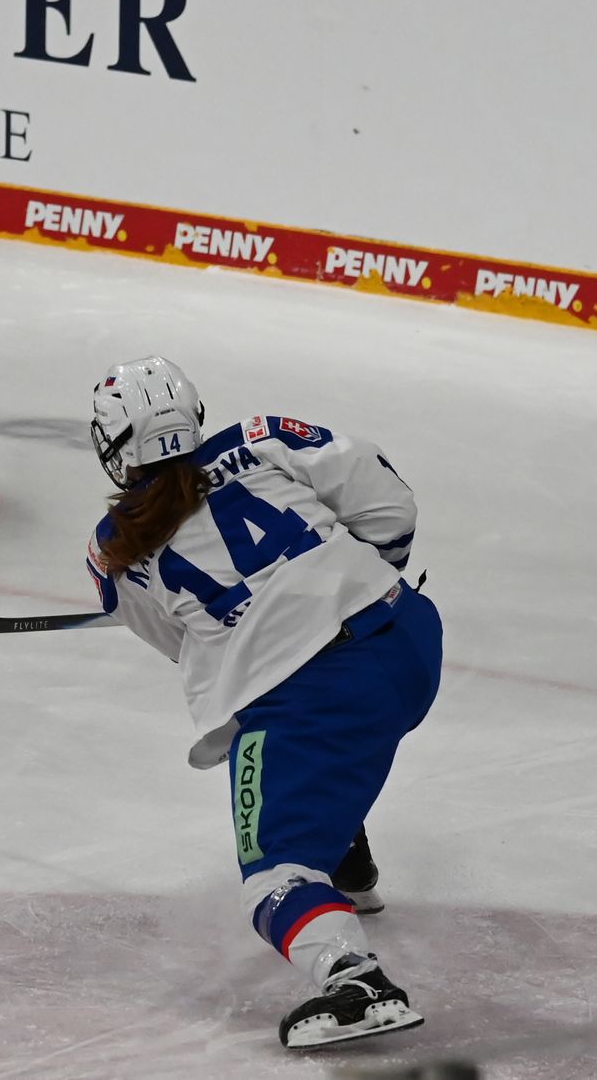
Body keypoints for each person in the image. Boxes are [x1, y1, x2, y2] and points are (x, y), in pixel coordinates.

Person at [83, 356, 442, 1050]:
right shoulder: (263, 438)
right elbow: (392, 508)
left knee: (272, 875)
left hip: (322, 699)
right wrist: (361, 581)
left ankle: (355, 980)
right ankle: (344, 857)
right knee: (315, 745)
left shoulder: (111, 552)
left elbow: (195, 652)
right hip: (410, 639)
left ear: (112, 447)